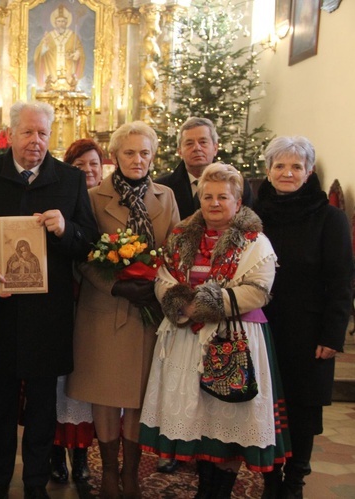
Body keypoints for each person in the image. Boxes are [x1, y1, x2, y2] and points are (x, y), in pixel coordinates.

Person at [0, 101, 98, 499]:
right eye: (27, 132)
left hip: (48, 314)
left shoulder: (70, 179)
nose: (35, 141)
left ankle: (36, 484)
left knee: (42, 405)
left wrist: (65, 228)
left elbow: (87, 242)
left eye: (42, 133)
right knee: (1, 404)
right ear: (11, 133)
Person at [140, 163, 290, 499]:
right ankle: (204, 490)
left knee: (228, 417)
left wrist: (206, 306)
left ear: (237, 202)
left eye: (223, 196)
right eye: (208, 196)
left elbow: (259, 289)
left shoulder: (255, 241)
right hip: (187, 339)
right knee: (199, 419)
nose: (215, 203)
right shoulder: (180, 236)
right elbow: (163, 278)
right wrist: (181, 304)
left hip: (235, 340)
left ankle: (218, 492)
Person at [65, 122, 179, 498]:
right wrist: (116, 284)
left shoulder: (167, 196)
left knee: (139, 396)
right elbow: (82, 254)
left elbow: (177, 251)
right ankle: (110, 473)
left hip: (150, 309)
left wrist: (157, 285)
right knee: (107, 394)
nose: (138, 159)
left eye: (145, 153)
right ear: (114, 157)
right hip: (106, 308)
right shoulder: (93, 197)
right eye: (129, 152)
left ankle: (131, 474)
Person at [254, 137, 354, 498]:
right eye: (279, 165)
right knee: (264, 406)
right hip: (259, 328)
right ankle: (269, 479)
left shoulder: (330, 218)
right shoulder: (252, 215)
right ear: (267, 171)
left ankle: (294, 481)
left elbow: (342, 281)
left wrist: (332, 335)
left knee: (301, 411)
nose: (287, 173)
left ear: (309, 172)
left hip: (309, 332)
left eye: (296, 166)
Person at [47, 138, 106, 485]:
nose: (88, 170)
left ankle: (81, 456)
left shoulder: (110, 200)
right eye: (80, 165)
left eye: (94, 163)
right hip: (63, 301)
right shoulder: (61, 197)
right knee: (58, 383)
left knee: (85, 382)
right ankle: (56, 453)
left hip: (96, 304)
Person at [156, 117, 252, 221]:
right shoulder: (162, 188)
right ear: (180, 151)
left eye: (203, 142)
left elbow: (247, 225)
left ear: (215, 148)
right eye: (189, 143)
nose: (197, 148)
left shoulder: (238, 185)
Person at [33, 5, 85, 90]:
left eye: (63, 21)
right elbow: (38, 54)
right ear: (55, 23)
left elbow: (80, 50)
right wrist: (44, 47)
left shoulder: (73, 36)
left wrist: (77, 54)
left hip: (68, 73)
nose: (61, 23)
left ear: (66, 23)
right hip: (52, 73)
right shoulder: (49, 36)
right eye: (59, 21)